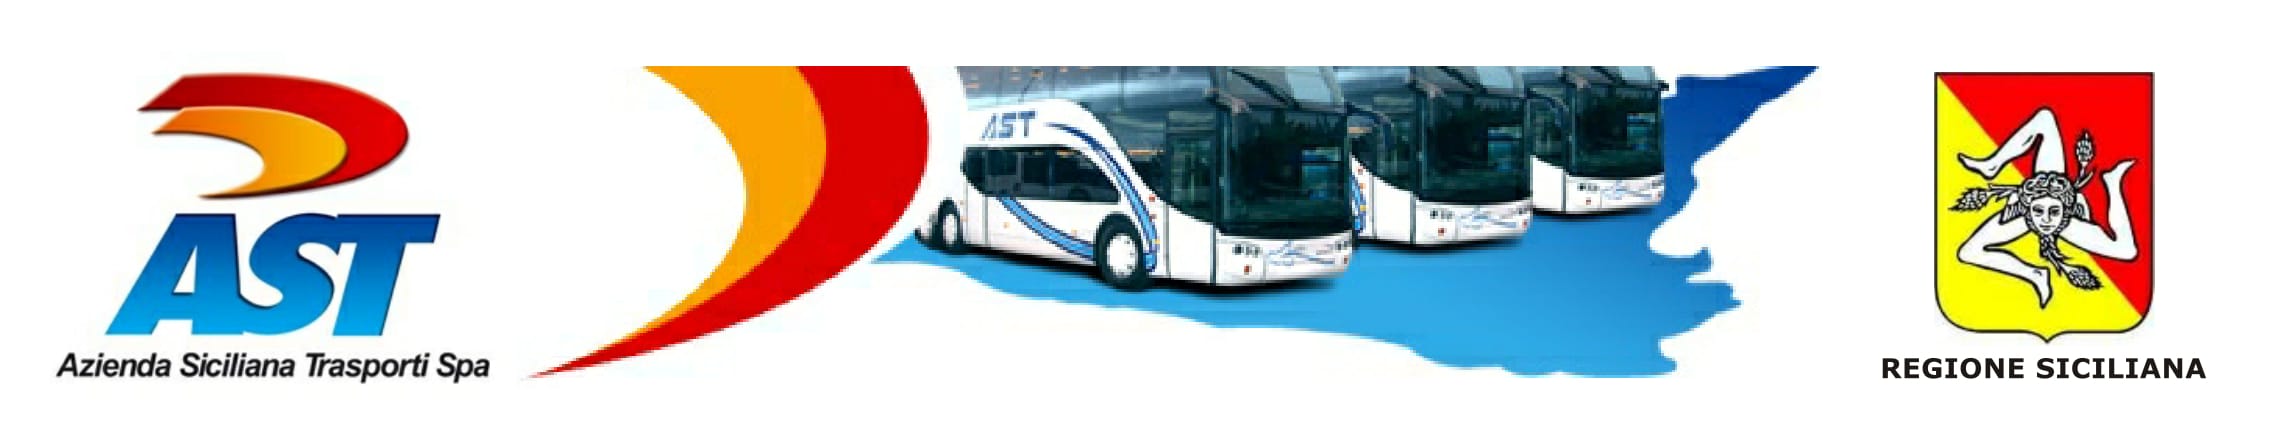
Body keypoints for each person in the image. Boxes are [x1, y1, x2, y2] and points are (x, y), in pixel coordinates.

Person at [1950, 107, 2139, 308]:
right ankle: (2035, 274)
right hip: (2027, 215)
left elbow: (2126, 251)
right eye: (2039, 211)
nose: (2046, 220)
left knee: (2127, 251)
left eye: (2054, 212)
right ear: (2026, 207)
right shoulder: (2022, 213)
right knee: (1968, 252)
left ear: (2066, 210)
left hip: (2064, 220)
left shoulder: (2069, 222)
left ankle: (2112, 181)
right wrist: (2029, 272)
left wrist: (2113, 188)